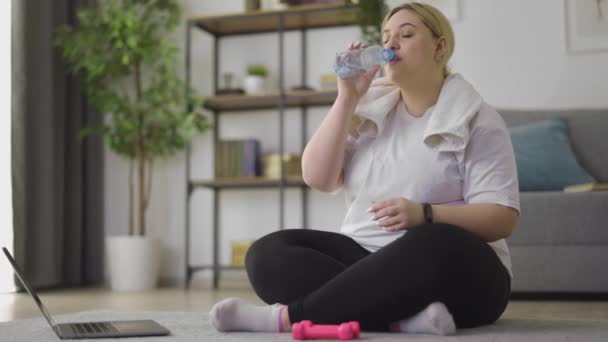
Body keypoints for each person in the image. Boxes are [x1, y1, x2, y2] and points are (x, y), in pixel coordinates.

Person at [209, 2, 520, 336]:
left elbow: (502, 218)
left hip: (460, 272)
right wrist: (347, 98)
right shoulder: (372, 112)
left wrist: (425, 214)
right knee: (267, 254)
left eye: (406, 34)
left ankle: (286, 319)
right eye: (386, 37)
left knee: (433, 239)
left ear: (440, 47)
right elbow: (319, 178)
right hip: (367, 261)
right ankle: (401, 321)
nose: (390, 44)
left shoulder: (476, 119)